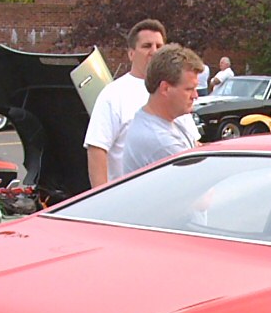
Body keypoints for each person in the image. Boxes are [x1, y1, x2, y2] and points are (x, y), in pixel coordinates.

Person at [85, 19, 200, 187]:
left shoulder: (178, 94)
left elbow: (193, 143)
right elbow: (97, 150)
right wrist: (101, 199)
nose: (153, 52)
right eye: (146, 46)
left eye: (159, 46)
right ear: (131, 53)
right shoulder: (113, 94)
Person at [122, 45, 205, 175]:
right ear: (165, 88)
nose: (195, 96)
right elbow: (200, 183)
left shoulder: (164, 121)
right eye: (189, 89)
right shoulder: (161, 141)